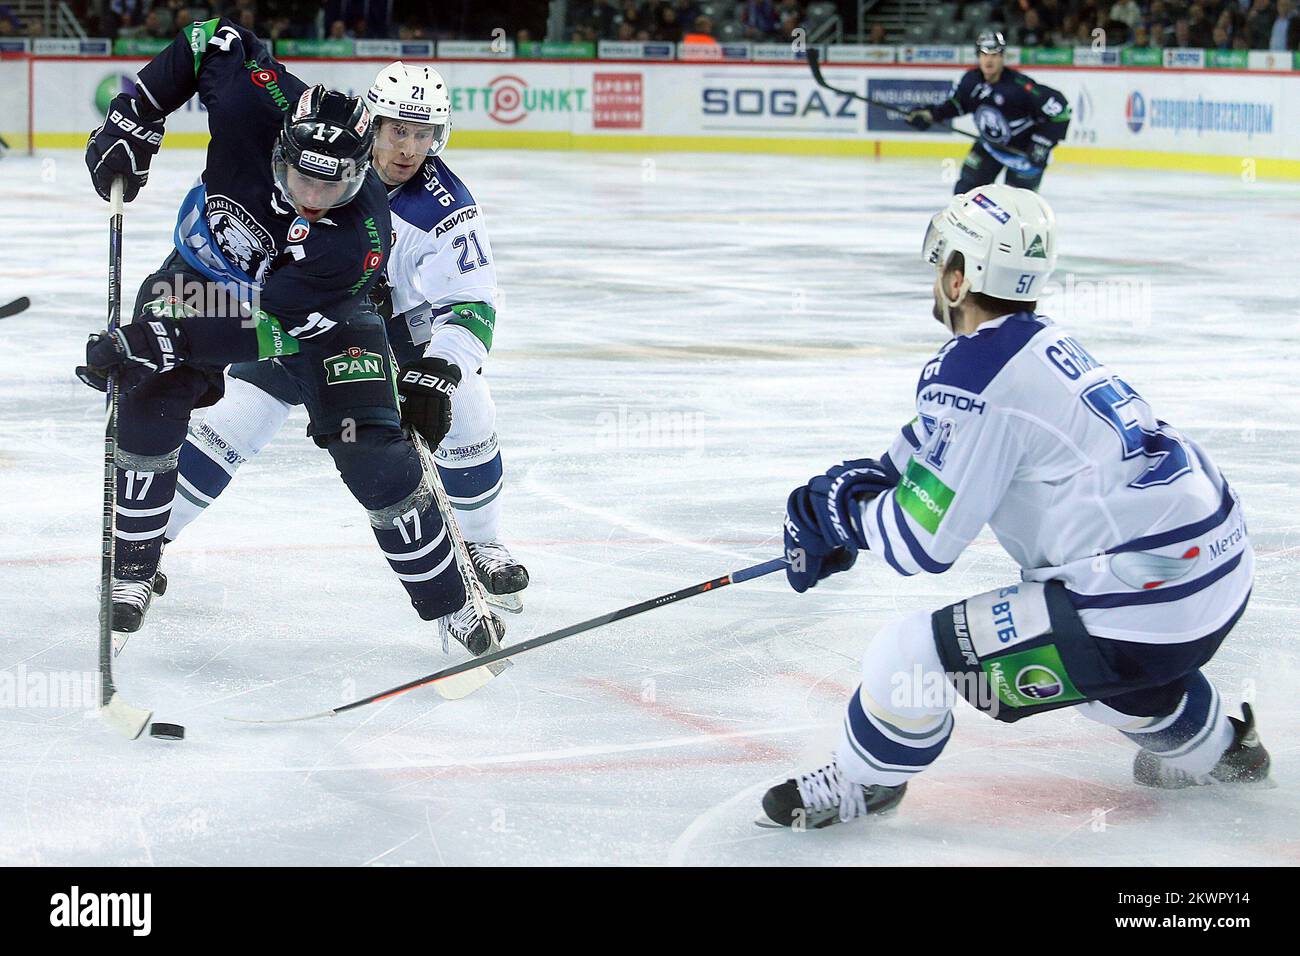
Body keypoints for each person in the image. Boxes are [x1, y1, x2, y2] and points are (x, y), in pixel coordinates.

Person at [758, 185, 1270, 829]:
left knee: (907, 655)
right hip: (1212, 576)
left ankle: (866, 784)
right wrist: (864, 492)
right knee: (1109, 677)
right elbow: (940, 445)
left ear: (958, 277)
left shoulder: (973, 369)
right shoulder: (1037, 344)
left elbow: (922, 543)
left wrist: (839, 514)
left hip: (1142, 603)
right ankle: (1222, 750)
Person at [77, 19, 499, 655]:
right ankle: (132, 568)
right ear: (279, 150)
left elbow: (271, 333)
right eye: (303, 181)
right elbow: (207, 39)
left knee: (373, 451)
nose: (314, 200)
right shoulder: (254, 103)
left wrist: (162, 338)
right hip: (203, 274)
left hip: (317, 319)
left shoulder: (357, 237)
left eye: (335, 187)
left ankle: (451, 604)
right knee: (150, 390)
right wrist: (136, 113)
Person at [163, 61, 530, 628]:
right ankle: (152, 542)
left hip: (395, 337)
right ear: (373, 125)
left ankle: (482, 544)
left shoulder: (446, 209)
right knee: (239, 417)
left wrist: (440, 367)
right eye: (397, 130)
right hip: (300, 323)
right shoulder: (316, 162)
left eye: (424, 132)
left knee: (470, 407)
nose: (409, 148)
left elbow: (473, 304)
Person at [907, 30, 1071, 194]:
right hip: (989, 147)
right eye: (984, 54)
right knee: (965, 193)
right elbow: (956, 105)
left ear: (1002, 57)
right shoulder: (970, 81)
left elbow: (1061, 112)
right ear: (978, 56)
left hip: (1023, 156)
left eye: (994, 54)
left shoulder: (1019, 87)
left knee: (1016, 207)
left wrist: (1041, 143)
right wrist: (929, 115)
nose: (989, 60)